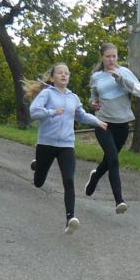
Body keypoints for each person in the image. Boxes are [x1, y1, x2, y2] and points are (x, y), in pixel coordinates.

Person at [26, 62, 105, 233]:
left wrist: (98, 122)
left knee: (69, 180)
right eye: (60, 73)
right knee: (38, 182)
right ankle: (37, 165)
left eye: (66, 73)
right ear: (52, 77)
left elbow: (81, 115)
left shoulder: (73, 97)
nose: (63, 75)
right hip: (46, 143)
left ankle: (70, 218)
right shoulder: (47, 93)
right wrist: (52, 112)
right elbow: (34, 111)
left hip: (66, 145)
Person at [85, 43, 140, 214]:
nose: (111, 60)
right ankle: (119, 201)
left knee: (108, 160)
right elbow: (93, 97)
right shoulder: (97, 76)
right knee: (113, 159)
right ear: (102, 58)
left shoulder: (124, 72)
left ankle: (95, 177)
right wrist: (92, 103)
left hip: (122, 124)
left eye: (114, 56)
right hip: (103, 123)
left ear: (117, 57)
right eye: (108, 56)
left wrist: (121, 79)